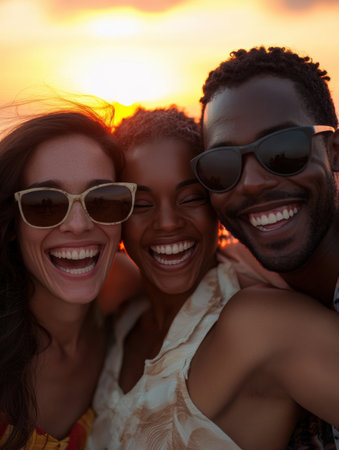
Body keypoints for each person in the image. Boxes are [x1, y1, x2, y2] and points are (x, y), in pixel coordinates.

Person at [88, 106, 339, 450]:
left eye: (190, 198)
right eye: (141, 204)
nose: (167, 222)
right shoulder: (121, 314)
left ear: (216, 206)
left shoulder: (263, 324)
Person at [192, 45, 339, 448]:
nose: (252, 182)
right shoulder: (237, 288)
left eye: (283, 150)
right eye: (222, 165)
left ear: (333, 152)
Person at [0, 107, 136, 449]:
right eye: (45, 203)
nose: (78, 224)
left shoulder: (124, 282)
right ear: (12, 223)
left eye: (103, 199)